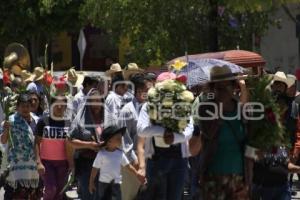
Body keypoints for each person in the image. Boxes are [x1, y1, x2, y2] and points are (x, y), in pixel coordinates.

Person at [137, 72, 193, 200]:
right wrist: (162, 131)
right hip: (157, 161)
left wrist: (174, 137)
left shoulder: (183, 105)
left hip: (179, 161)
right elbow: (141, 130)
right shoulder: (148, 106)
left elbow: (189, 129)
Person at [197, 66, 249, 200]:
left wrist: (248, 182)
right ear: (213, 88)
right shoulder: (205, 108)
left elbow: (248, 144)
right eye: (219, 88)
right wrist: (219, 107)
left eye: (226, 87)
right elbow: (209, 134)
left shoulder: (241, 110)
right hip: (213, 174)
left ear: (233, 87)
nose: (223, 91)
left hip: (238, 175)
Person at [118, 75, 152, 200]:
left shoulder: (151, 109)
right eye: (148, 90)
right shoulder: (127, 111)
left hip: (149, 162)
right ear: (138, 91)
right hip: (132, 166)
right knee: (130, 196)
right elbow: (124, 140)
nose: (151, 92)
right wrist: (136, 164)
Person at [1, 93, 41, 199]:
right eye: (22, 106)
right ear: (17, 107)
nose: (25, 109)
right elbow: (3, 141)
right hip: (15, 168)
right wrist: (6, 129)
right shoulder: (11, 121)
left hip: (33, 168)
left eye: (27, 106)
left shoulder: (37, 120)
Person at [88, 126, 145, 200]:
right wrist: (91, 182)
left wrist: (137, 175)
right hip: (104, 183)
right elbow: (95, 168)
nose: (121, 140)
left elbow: (129, 166)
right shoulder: (102, 154)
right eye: (118, 138)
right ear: (109, 141)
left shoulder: (120, 154)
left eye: (121, 138)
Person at [67, 89, 104, 200]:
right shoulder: (80, 120)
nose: (96, 104)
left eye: (99, 101)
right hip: (86, 164)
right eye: (93, 101)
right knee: (88, 194)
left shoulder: (108, 118)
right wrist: (89, 145)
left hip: (104, 164)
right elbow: (70, 140)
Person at [34, 96, 73, 200]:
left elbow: (71, 145)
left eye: (63, 105)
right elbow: (36, 143)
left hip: (63, 163)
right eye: (57, 104)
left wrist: (72, 163)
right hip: (46, 163)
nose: (59, 107)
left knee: (60, 192)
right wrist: (38, 162)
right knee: (51, 189)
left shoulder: (69, 123)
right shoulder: (43, 121)